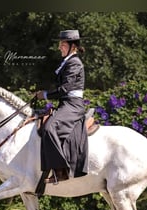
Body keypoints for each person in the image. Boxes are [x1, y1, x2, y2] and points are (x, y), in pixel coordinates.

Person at [36, 29, 89, 185]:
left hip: (73, 105)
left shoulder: (74, 63)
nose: (60, 47)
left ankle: (61, 171)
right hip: (65, 103)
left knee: (49, 128)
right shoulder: (67, 62)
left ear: (73, 46)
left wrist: (44, 95)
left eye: (63, 44)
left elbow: (64, 89)